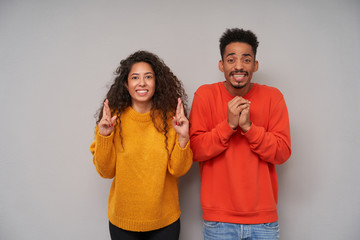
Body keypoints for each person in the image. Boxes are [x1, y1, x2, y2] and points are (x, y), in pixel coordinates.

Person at [189, 28, 291, 240]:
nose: (238, 66)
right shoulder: (205, 95)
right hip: (219, 221)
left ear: (255, 65)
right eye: (231, 59)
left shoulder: (273, 97)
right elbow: (195, 150)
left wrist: (248, 128)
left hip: (264, 220)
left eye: (246, 60)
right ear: (221, 65)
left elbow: (282, 153)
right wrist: (228, 126)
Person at [90, 50, 193, 240]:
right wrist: (104, 135)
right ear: (126, 84)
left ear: (156, 82)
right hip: (123, 221)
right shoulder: (111, 119)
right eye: (135, 77)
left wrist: (183, 138)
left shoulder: (171, 118)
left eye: (148, 77)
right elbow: (106, 172)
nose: (142, 83)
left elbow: (178, 170)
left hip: (165, 222)